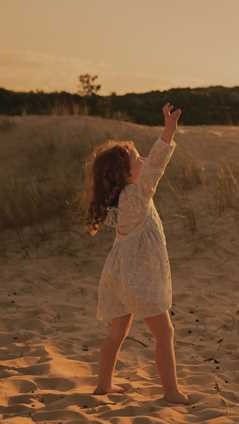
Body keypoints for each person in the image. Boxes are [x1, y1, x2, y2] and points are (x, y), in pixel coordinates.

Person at [85, 103, 189, 404]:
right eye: (135, 158)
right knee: (164, 334)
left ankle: (103, 386)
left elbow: (150, 163)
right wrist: (169, 130)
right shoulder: (139, 194)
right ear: (126, 174)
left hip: (117, 276)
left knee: (116, 333)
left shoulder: (120, 201)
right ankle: (171, 392)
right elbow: (157, 162)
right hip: (139, 278)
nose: (142, 158)